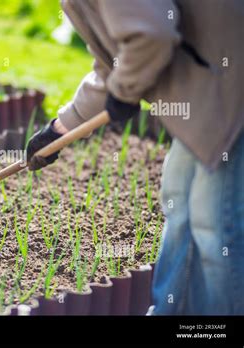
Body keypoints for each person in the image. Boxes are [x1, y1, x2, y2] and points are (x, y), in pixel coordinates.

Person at [26, 0, 244, 315]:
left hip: (229, 85)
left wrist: (125, 91)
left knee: (215, 222)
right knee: (179, 201)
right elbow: (115, 60)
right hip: (211, 85)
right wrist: (60, 129)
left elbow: (151, 36)